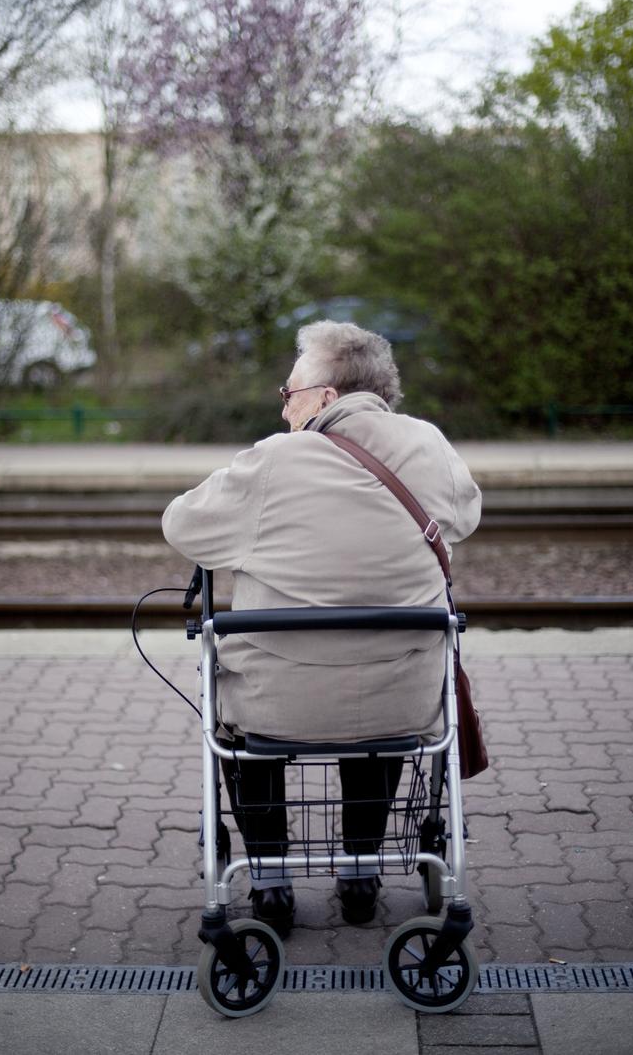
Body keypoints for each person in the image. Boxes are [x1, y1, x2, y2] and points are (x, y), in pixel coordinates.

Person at [162, 320, 481, 936]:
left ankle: (271, 879)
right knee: (375, 706)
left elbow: (182, 525)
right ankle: (361, 871)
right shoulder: (430, 444)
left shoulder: (274, 460)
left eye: (290, 393)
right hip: (402, 701)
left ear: (326, 398)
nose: (284, 407)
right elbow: (465, 518)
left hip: (279, 704)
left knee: (238, 713)